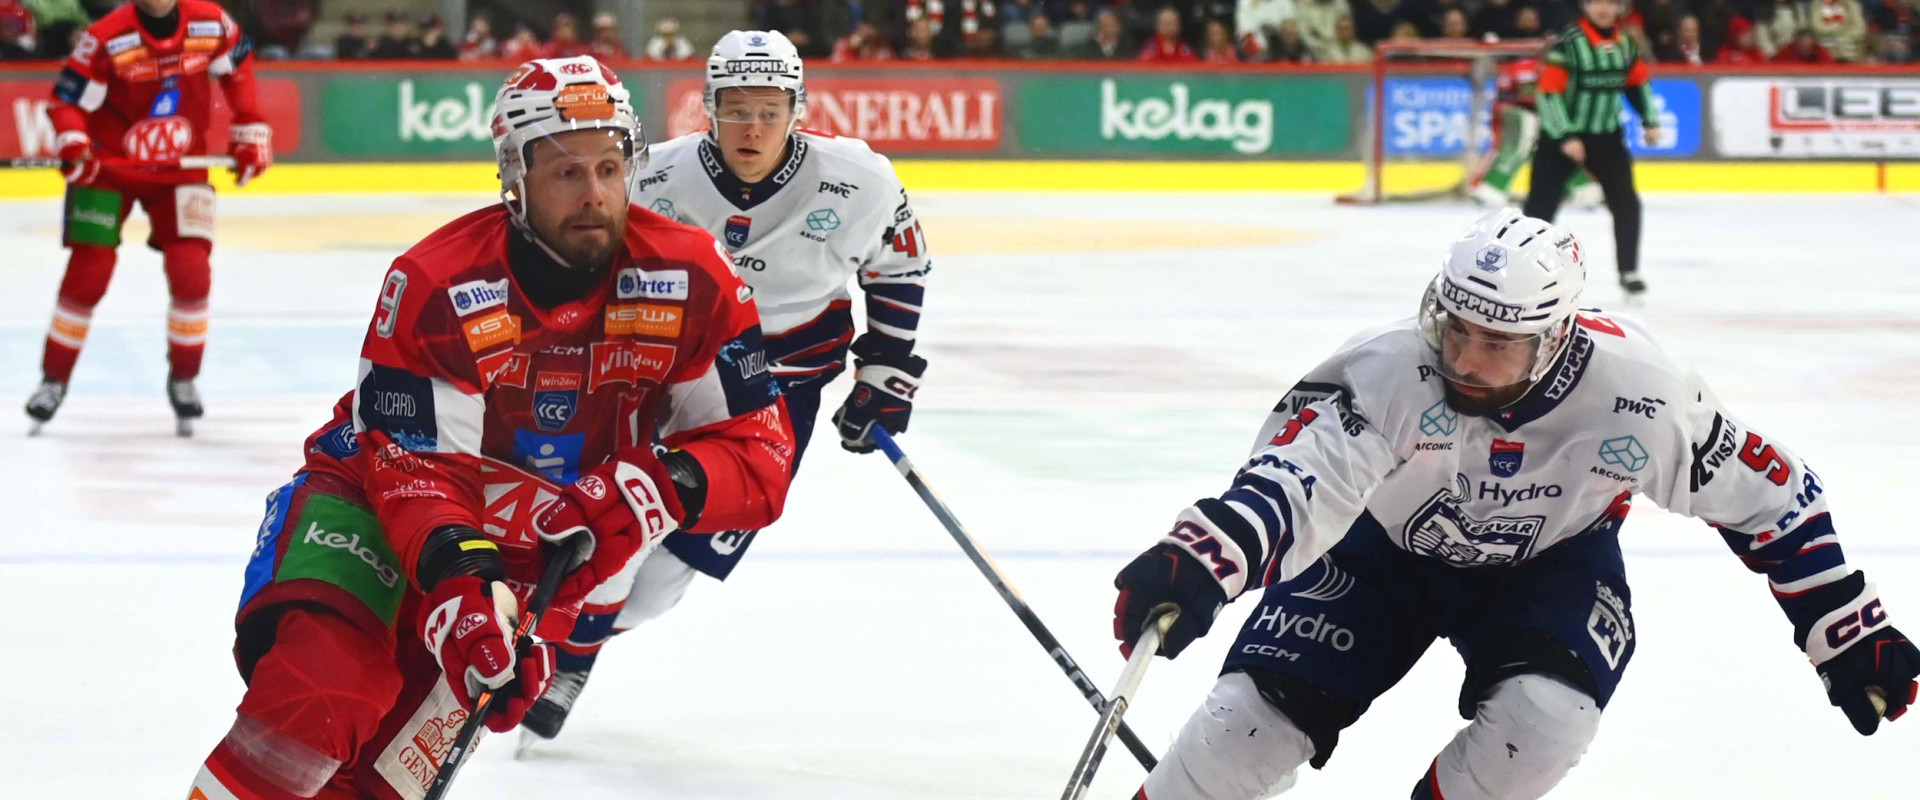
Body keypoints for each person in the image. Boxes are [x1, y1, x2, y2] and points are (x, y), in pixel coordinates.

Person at [1113, 208, 1920, 800]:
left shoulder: (1643, 394)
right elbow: (1301, 474)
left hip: (1551, 564)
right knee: (1242, 731)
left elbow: (1771, 499)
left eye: (1497, 343)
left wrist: (1846, 627)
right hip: (1378, 556)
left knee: (1546, 722)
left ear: (1558, 336)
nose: (1465, 359)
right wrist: (1204, 557)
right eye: (1457, 329)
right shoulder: (1392, 368)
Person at [183, 55, 797, 799]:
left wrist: (666, 483)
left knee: (379, 784)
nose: (596, 195)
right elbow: (414, 468)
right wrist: (463, 580)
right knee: (318, 702)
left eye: (610, 167)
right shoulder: (440, 280)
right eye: (568, 173)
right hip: (370, 507)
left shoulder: (692, 276)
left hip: (525, 564)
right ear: (515, 176)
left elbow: (759, 453)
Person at [520, 29, 934, 743]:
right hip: (671, 374)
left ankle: (577, 642)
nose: (752, 126)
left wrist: (886, 373)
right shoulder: (653, 176)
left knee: (666, 578)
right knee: (610, 520)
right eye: (736, 107)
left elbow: (898, 266)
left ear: (798, 109)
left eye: (769, 110)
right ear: (707, 107)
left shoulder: (860, 180)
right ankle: (558, 651)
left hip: (781, 391)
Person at [25, 0, 271, 434]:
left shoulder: (211, 21)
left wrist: (249, 125)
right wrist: (72, 141)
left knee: (191, 270)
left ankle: (184, 378)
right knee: (90, 271)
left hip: (181, 167)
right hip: (107, 169)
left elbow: (238, 65)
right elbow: (65, 101)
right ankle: (53, 380)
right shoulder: (103, 37)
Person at [1522, 0, 1656, 298]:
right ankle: (1524, 270)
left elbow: (1638, 85)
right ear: (1585, 5)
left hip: (1607, 138)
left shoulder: (1625, 44)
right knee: (1539, 210)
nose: (1604, 8)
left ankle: (1629, 271)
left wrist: (1650, 120)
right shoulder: (1567, 44)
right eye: (1597, 1)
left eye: (1611, 2)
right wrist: (1565, 136)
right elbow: (1548, 94)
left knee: (1626, 204)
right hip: (1562, 139)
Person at [1470, 58, 1600, 209]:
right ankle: (1491, 188)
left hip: (1553, 116)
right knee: (1518, 147)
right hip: (1522, 113)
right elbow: (1505, 95)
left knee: (1562, 149)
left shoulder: (1570, 69)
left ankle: (1584, 189)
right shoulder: (1523, 67)